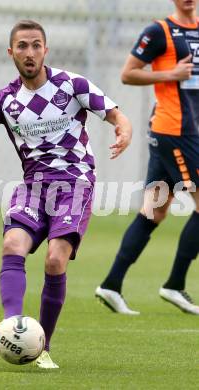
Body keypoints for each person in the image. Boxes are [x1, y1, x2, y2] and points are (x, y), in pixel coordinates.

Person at [0, 20, 132, 368]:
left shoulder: (72, 85)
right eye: (23, 46)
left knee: (55, 260)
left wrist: (123, 131)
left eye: (36, 45)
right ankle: (12, 324)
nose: (30, 52)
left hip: (75, 184)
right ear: (10, 52)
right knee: (13, 244)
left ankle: (42, 347)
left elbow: (118, 116)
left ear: (46, 49)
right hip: (34, 186)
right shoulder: (5, 100)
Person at [96, 0, 199, 315]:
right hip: (175, 130)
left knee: (153, 212)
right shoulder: (159, 31)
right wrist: (171, 73)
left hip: (183, 130)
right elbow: (128, 74)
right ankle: (174, 284)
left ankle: (111, 285)